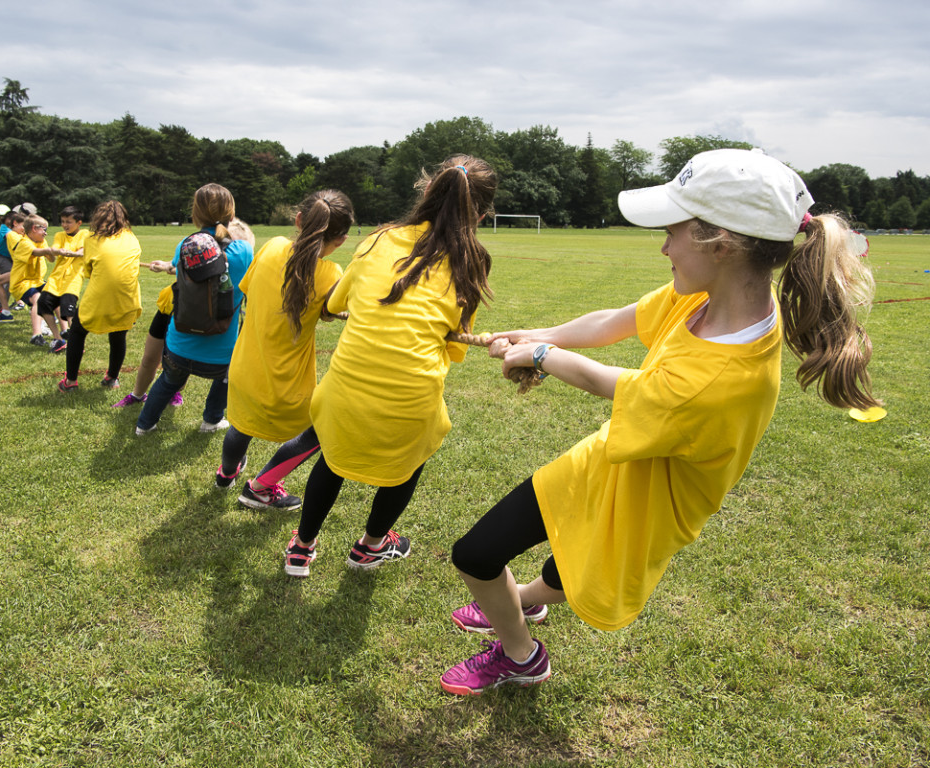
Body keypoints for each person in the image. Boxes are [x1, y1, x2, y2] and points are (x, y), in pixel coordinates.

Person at [439, 148, 879, 696]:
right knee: (490, 553)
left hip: (654, 497)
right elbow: (614, 321)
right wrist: (537, 335)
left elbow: (623, 386)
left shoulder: (725, 374)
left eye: (672, 230)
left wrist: (542, 357)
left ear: (719, 244)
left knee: (561, 563)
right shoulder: (710, 296)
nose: (664, 244)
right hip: (618, 456)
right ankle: (521, 605)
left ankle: (521, 654)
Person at [282, 155, 496, 578]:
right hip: (410, 404)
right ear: (483, 214)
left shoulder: (379, 240)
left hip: (344, 394)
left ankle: (302, 548)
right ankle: (371, 546)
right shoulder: (474, 261)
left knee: (333, 457)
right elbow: (454, 350)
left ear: (427, 190)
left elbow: (336, 303)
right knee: (408, 461)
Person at [216, 190, 354, 512]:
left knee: (241, 424)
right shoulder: (331, 274)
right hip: (287, 387)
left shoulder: (272, 246)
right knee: (320, 430)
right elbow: (330, 310)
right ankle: (261, 487)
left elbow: (250, 289)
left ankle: (226, 474)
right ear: (342, 239)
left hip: (243, 371)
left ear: (298, 220)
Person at [134, 184, 253, 434]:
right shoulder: (243, 251)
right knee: (225, 379)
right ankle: (211, 420)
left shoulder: (184, 246)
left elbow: (179, 266)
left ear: (195, 216)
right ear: (232, 216)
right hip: (222, 351)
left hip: (180, 345)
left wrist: (168, 265)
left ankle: (144, 425)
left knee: (168, 381)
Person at [113, 218, 254, 410]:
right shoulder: (206, 250)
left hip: (197, 318)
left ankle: (173, 390)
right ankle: (138, 394)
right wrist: (166, 266)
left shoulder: (236, 262)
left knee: (182, 360)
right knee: (150, 358)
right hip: (170, 307)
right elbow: (192, 269)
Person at [58, 201, 142, 391]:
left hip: (100, 298)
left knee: (77, 332)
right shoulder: (132, 237)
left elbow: (88, 271)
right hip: (127, 299)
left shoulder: (91, 239)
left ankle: (70, 382)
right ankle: (112, 379)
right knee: (118, 334)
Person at [7, 214, 78, 347]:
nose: (45, 233)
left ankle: (64, 331)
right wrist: (54, 250)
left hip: (37, 281)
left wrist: (53, 253)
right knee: (39, 299)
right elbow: (37, 252)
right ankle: (36, 334)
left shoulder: (41, 241)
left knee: (55, 297)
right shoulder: (24, 243)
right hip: (21, 283)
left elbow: (50, 259)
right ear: (34, 228)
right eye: (44, 230)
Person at [37, 206, 89, 353]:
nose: (65, 225)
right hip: (56, 278)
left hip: (73, 277)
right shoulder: (60, 235)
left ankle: (76, 343)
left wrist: (75, 253)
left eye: (69, 222)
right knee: (43, 303)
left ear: (79, 222)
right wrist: (57, 251)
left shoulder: (85, 234)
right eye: (63, 221)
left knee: (68, 308)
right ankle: (58, 339)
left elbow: (83, 250)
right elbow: (55, 250)